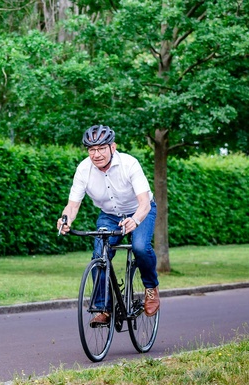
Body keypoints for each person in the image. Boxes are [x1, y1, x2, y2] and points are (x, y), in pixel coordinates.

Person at [56, 124, 160, 326]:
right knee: (99, 255)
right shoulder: (83, 169)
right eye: (91, 149)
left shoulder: (129, 164)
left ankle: (151, 288)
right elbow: (72, 205)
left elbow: (145, 202)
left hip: (141, 211)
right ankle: (104, 308)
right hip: (109, 215)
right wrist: (66, 219)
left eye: (101, 148)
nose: (96, 154)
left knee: (139, 247)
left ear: (113, 147)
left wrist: (135, 220)